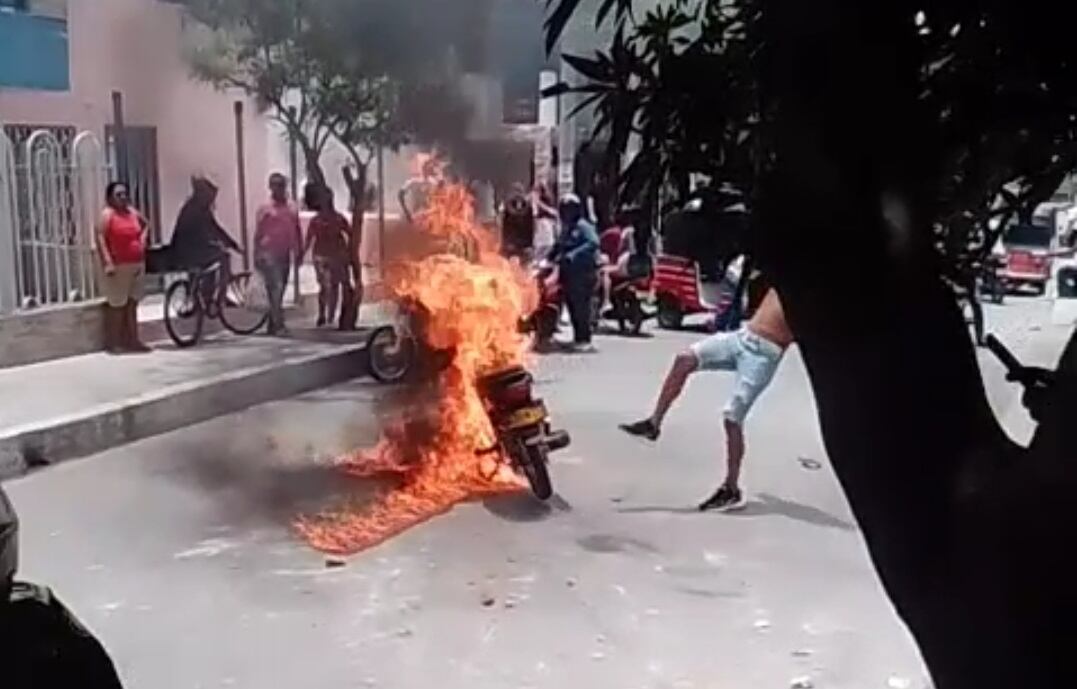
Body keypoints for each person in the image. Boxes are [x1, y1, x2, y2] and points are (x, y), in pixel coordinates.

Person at [620, 288, 794, 511]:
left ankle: (731, 488)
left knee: (732, 417)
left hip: (764, 355)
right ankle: (653, 424)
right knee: (684, 359)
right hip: (742, 337)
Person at [170, 175, 242, 310]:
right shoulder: (195, 210)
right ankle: (221, 296)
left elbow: (213, 229)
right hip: (188, 251)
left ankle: (205, 296)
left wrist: (231, 244)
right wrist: (229, 245)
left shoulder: (193, 207)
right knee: (224, 257)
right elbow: (211, 230)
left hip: (188, 250)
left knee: (212, 264)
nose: (212, 201)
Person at [96, 182, 150, 354]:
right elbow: (100, 238)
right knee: (117, 305)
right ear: (110, 197)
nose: (123, 197)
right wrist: (107, 262)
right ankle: (114, 342)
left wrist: (143, 239)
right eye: (118, 194)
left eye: (125, 194)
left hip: (136, 263)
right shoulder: (107, 215)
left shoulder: (132, 212)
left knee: (132, 303)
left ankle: (133, 340)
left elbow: (146, 224)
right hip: (119, 265)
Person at [550, 194, 600, 352]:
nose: (566, 213)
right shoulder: (567, 229)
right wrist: (548, 257)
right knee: (571, 306)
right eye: (564, 210)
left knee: (581, 307)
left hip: (582, 274)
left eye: (569, 209)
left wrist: (574, 255)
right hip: (568, 275)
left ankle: (584, 339)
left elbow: (593, 242)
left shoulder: (583, 227)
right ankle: (577, 337)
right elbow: (558, 246)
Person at [255, 173, 302, 335]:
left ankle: (272, 323)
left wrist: (299, 250)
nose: (279, 189)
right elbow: (258, 232)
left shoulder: (292, 207)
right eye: (276, 185)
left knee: (279, 291)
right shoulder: (265, 209)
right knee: (276, 287)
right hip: (269, 253)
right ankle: (279, 325)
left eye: (281, 185)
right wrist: (256, 254)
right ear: (271, 187)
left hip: (284, 253)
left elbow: (297, 230)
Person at [303, 186, 354, 329]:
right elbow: (309, 239)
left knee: (336, 285)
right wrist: (302, 254)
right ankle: (322, 314)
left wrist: (350, 253)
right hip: (321, 256)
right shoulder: (316, 220)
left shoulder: (339, 218)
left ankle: (331, 315)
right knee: (325, 286)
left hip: (338, 255)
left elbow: (350, 234)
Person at [398, 155, 442, 225]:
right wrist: (406, 211)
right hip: (414, 216)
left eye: (431, 167)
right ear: (422, 168)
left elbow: (441, 198)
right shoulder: (413, 182)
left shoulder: (434, 182)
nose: (429, 169)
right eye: (426, 167)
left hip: (429, 216)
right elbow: (400, 194)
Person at [501, 182, 536, 262]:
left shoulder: (527, 207)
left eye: (519, 191)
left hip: (522, 242)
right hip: (514, 242)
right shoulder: (527, 207)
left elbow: (531, 226)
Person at [532, 182, 559, 260]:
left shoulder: (547, 201)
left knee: (547, 245)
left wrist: (540, 204)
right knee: (538, 248)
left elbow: (554, 213)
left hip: (546, 225)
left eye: (537, 191)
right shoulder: (531, 201)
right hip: (538, 227)